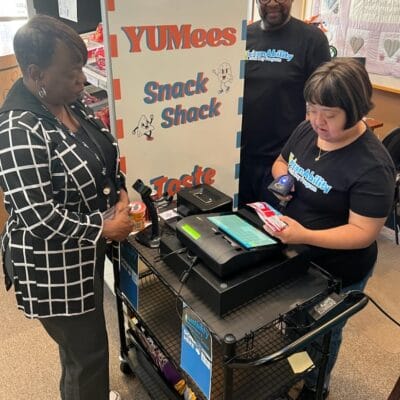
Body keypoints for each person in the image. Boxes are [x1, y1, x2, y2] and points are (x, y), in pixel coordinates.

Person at [0, 15, 134, 400]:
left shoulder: (68, 103)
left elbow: (102, 151)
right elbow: (38, 217)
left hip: (82, 254)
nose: (82, 79)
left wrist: (120, 192)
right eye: (71, 72)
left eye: (82, 68)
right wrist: (103, 228)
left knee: (80, 350)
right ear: (36, 73)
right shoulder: (18, 130)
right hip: (50, 266)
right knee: (87, 355)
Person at [264, 58, 396, 399]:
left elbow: (362, 232)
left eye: (329, 114)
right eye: (311, 109)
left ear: (354, 109)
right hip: (296, 254)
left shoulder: (373, 165)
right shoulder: (309, 129)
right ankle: (292, 367)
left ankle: (314, 386)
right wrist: (285, 178)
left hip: (339, 269)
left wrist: (304, 235)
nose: (317, 121)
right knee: (295, 320)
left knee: (324, 332)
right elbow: (282, 160)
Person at [239, 0, 331, 207]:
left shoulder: (311, 39)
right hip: (241, 157)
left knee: (276, 228)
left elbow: (323, 99)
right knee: (239, 224)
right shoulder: (243, 36)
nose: (272, 3)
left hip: (282, 160)